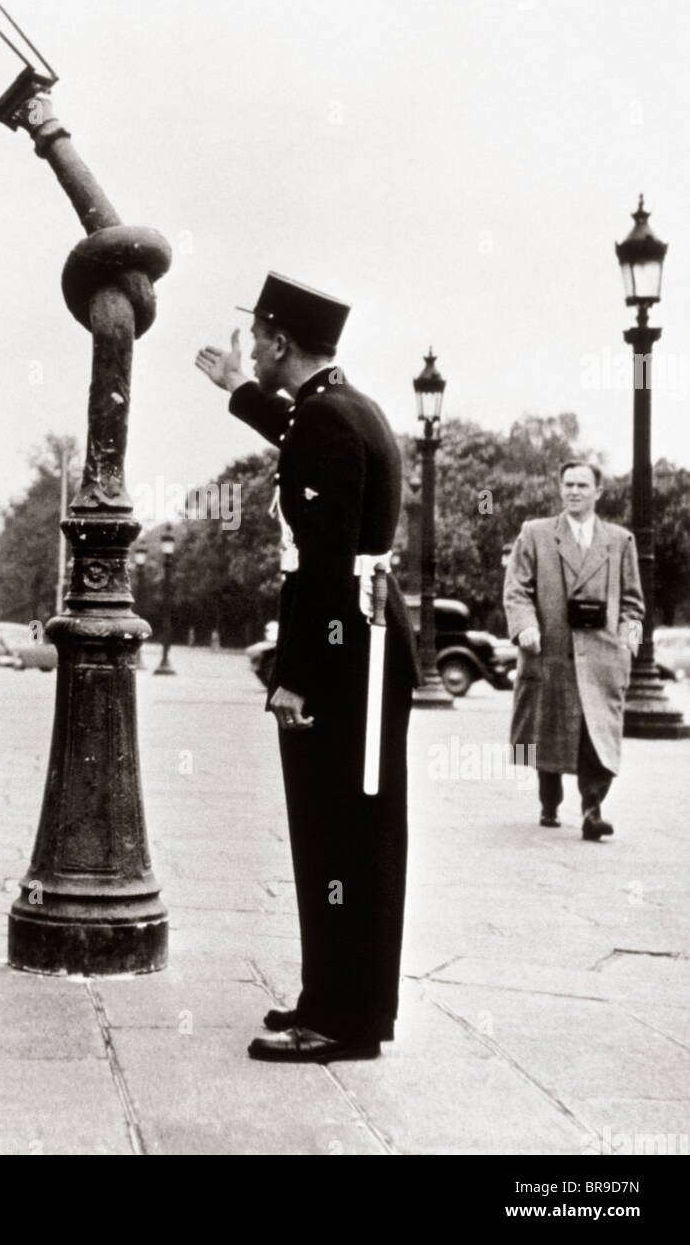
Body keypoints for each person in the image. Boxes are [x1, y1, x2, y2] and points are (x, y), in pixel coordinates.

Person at [196, 273, 418, 1063]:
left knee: (339, 837)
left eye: (254, 338)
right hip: (366, 644)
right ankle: (336, 997)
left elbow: (323, 561)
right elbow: (300, 435)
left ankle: (345, 1020)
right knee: (348, 835)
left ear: (281, 342)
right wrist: (237, 392)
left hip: (340, 651)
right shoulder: (346, 408)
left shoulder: (326, 419)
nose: (248, 347)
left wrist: (295, 675)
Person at [503, 460, 644, 840]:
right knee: (546, 728)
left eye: (583, 485)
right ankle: (549, 801)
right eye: (568, 484)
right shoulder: (535, 534)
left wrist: (629, 649)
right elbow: (516, 589)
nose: (574, 491)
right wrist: (525, 626)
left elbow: (634, 603)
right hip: (551, 649)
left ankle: (592, 810)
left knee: (597, 735)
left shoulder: (620, 541)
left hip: (602, 658)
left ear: (599, 491)